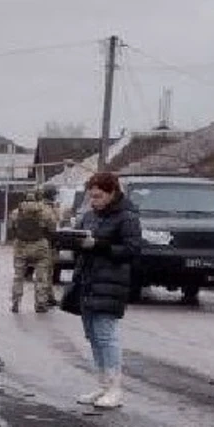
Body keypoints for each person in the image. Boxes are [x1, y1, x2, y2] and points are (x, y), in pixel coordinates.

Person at [70, 171, 142, 409]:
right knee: (93, 335)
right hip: (88, 281)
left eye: (98, 196)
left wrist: (98, 245)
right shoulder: (90, 216)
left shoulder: (127, 217)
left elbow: (132, 250)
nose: (94, 201)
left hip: (110, 282)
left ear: (112, 193)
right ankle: (102, 385)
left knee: (106, 335)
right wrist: (71, 241)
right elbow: (79, 244)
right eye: (91, 196)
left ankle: (114, 388)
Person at [8, 187, 62, 313]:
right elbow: (53, 228)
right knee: (41, 276)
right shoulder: (46, 211)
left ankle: (15, 303)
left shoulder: (17, 211)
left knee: (18, 276)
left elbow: (11, 228)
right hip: (40, 245)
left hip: (21, 245)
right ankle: (40, 304)